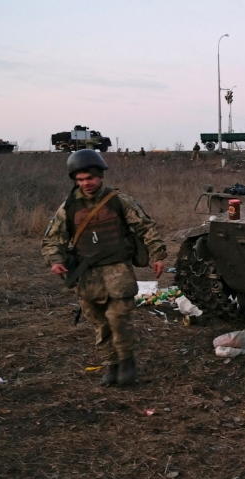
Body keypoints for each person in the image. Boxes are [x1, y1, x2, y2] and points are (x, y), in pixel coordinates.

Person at [42, 149, 167, 386]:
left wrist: (158, 255)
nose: (85, 183)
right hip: (87, 275)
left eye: (89, 178)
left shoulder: (119, 201)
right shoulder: (68, 208)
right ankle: (111, 364)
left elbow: (146, 228)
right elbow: (52, 239)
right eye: (80, 180)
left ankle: (127, 362)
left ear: (100, 176)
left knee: (118, 318)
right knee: (100, 322)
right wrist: (55, 261)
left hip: (118, 270)